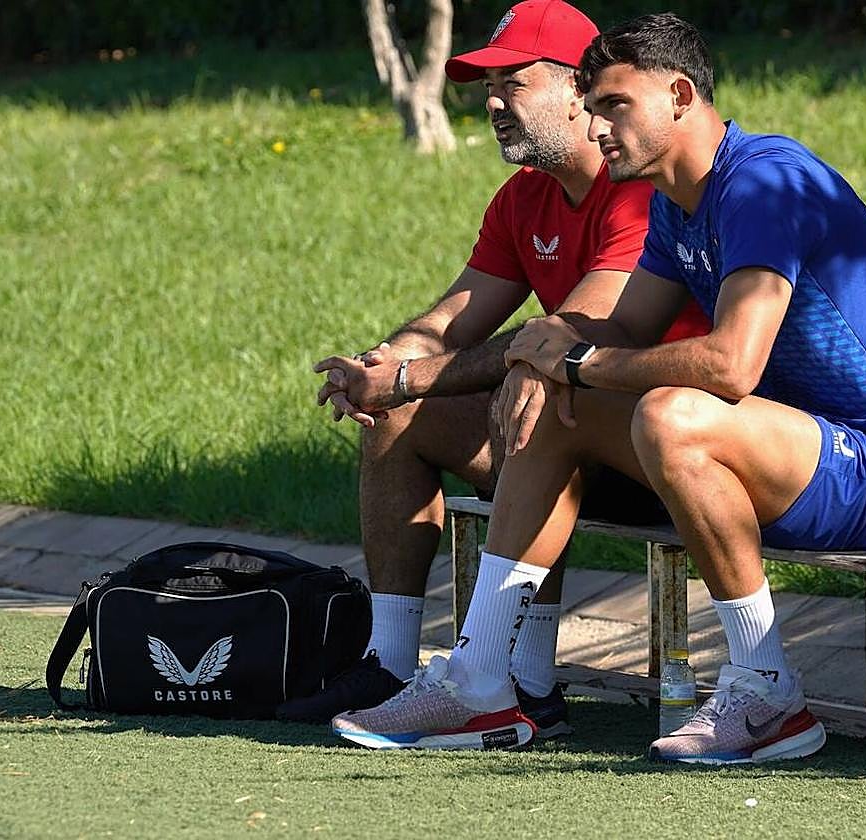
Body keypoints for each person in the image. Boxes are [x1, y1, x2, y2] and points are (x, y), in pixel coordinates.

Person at [335, 12, 866, 763]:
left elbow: (732, 365)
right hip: (786, 458)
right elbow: (621, 327)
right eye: (593, 106)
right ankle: (481, 683)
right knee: (553, 404)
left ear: (680, 94)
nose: (598, 127)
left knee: (668, 413)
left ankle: (767, 693)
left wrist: (575, 361)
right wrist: (546, 356)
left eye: (614, 105)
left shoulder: (763, 181)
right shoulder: (675, 201)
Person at [304, 1, 709, 741]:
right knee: (420, 411)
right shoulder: (523, 197)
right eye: (486, 87)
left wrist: (407, 379)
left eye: (512, 84)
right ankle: (392, 663)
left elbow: (571, 330)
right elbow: (452, 318)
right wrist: (386, 363)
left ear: (578, 89)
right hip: (579, 430)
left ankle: (522, 681)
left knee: (534, 395)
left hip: (672, 447)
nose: (492, 103)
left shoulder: (640, 188)